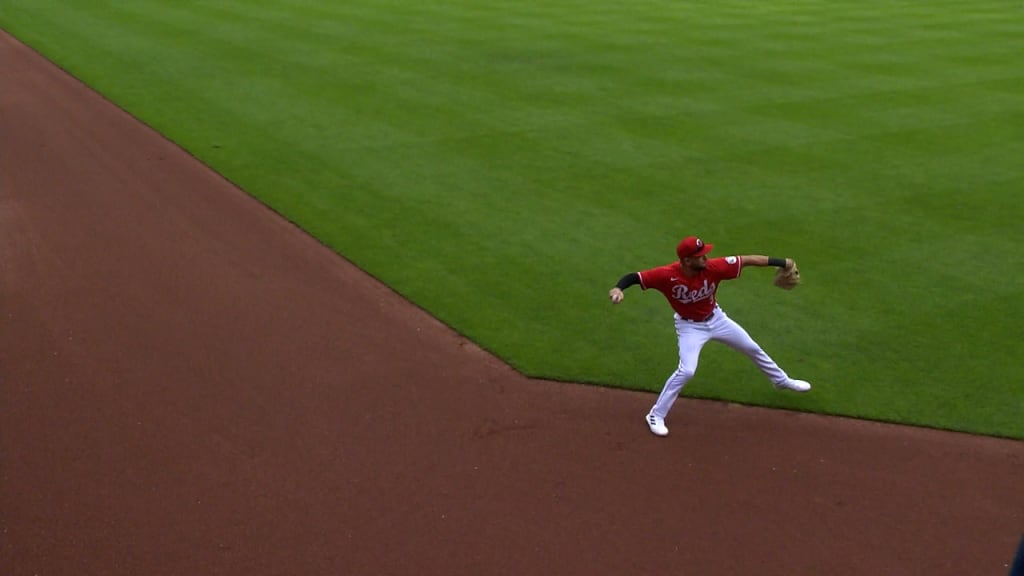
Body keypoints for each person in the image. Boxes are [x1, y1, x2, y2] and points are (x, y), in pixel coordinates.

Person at [608, 235, 811, 437]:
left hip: (717, 319)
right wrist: (618, 288)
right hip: (689, 327)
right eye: (700, 255)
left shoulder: (715, 267)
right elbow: (635, 277)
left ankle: (781, 380)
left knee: (751, 347)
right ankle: (656, 414)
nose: (706, 257)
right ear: (687, 260)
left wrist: (783, 262)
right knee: (687, 371)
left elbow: (747, 260)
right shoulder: (666, 275)